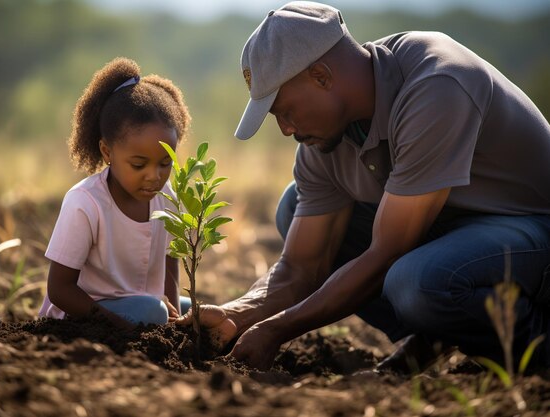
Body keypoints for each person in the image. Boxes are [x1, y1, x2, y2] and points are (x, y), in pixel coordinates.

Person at [177, 1, 550, 373]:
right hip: (453, 237)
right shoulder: (324, 138)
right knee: (294, 207)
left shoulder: (437, 83)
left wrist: (277, 330)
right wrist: (237, 314)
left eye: (285, 111)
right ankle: (435, 335)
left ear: (321, 76)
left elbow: (387, 255)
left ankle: (537, 350)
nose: (286, 129)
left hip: (530, 227)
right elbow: (300, 267)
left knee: (415, 281)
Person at [39, 57, 192, 329]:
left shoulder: (167, 198)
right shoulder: (85, 203)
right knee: (152, 312)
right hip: (81, 317)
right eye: (138, 164)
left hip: (144, 305)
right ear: (107, 152)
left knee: (198, 313)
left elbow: (171, 266)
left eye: (165, 163)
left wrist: (175, 323)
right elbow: (60, 290)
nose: (154, 176)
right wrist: (117, 326)